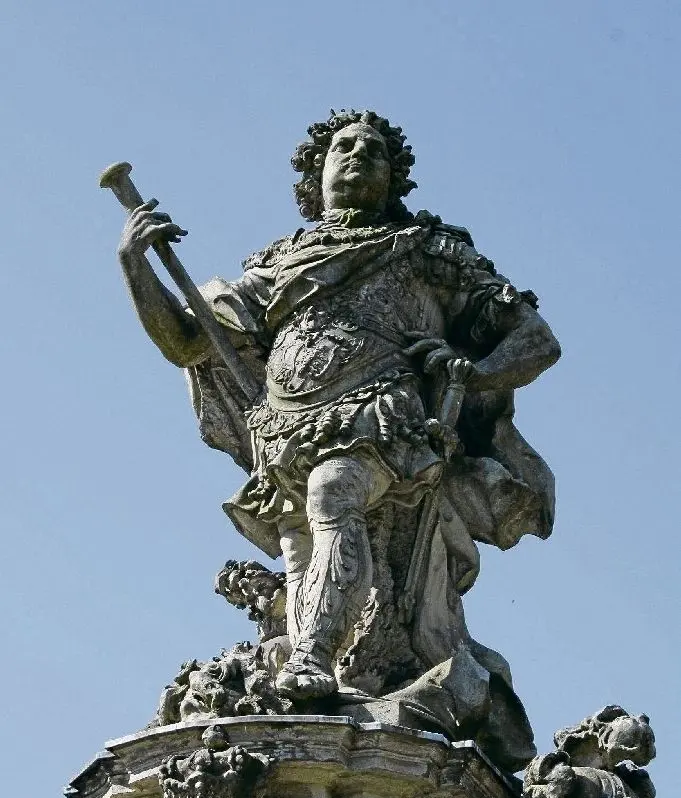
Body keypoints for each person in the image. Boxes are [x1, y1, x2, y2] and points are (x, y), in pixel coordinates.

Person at [117, 109, 560, 738]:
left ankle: (310, 661)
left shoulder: (428, 252)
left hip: (383, 413)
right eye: (342, 148)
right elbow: (189, 341)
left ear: (394, 177)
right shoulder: (278, 262)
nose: (355, 158)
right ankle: (335, 661)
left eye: (372, 152)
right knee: (304, 552)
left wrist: (476, 370)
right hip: (284, 429)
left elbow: (537, 338)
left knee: (335, 492)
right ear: (315, 172)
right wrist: (135, 266)